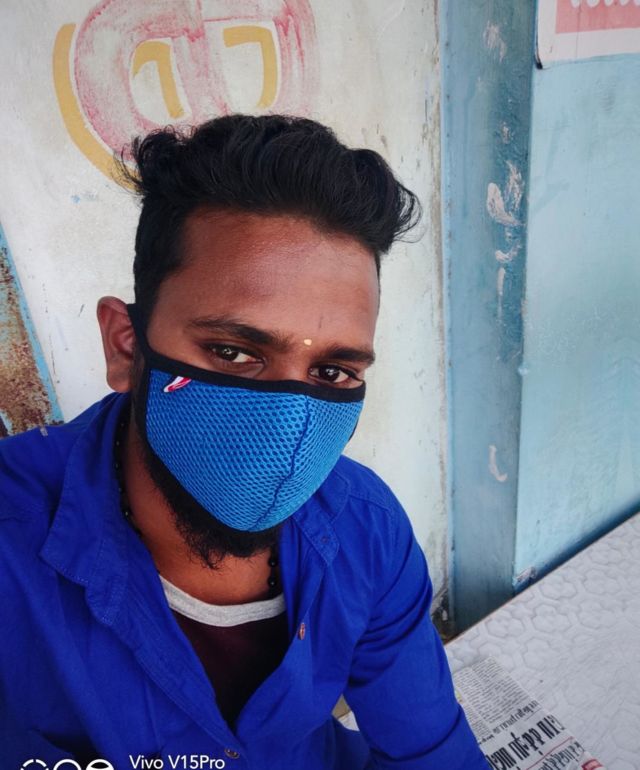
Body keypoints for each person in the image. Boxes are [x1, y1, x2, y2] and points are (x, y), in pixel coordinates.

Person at [0, 114, 488, 770]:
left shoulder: (367, 534)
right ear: (126, 346)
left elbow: (432, 753)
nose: (285, 433)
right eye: (234, 352)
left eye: (333, 372)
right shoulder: (12, 542)